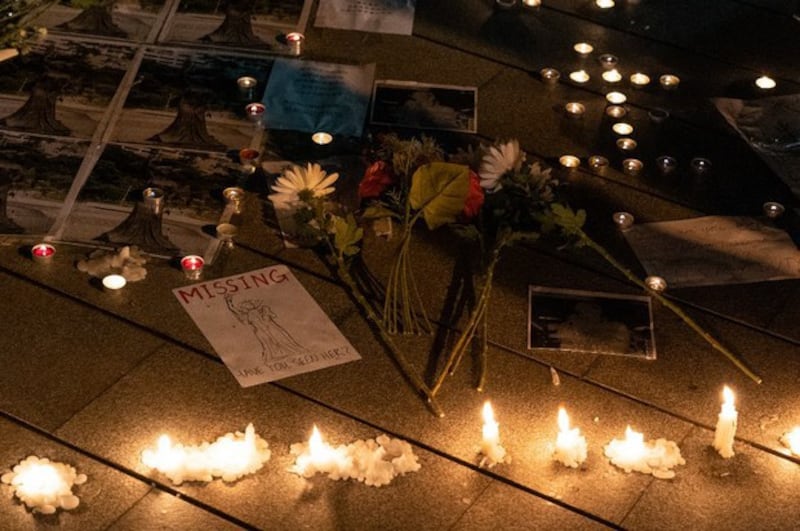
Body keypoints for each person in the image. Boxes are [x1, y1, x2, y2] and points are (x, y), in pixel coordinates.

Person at [225, 295, 307, 363]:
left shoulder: (263, 309)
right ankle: (276, 356)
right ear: (244, 308)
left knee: (282, 339)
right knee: (268, 344)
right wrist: (229, 301)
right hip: (260, 330)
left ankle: (292, 351)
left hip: (271, 327)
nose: (248, 305)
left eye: (249, 303)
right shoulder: (246, 315)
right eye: (246, 305)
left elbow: (273, 315)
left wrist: (266, 314)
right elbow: (233, 309)